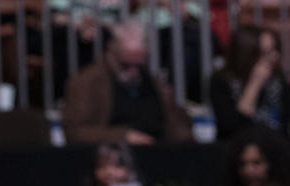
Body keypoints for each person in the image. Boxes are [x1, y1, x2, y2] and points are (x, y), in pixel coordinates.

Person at [62, 21, 193, 144]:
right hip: (113, 157)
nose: (133, 70)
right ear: (112, 50)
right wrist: (123, 136)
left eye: (139, 63)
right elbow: (75, 132)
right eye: (126, 64)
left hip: (159, 151)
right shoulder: (87, 82)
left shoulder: (153, 81)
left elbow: (178, 124)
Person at [210, 25, 290, 139]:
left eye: (276, 49)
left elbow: (288, 118)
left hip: (275, 145)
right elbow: (233, 127)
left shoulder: (277, 79)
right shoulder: (221, 80)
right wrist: (255, 84)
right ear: (246, 55)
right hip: (238, 147)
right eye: (265, 53)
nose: (275, 56)